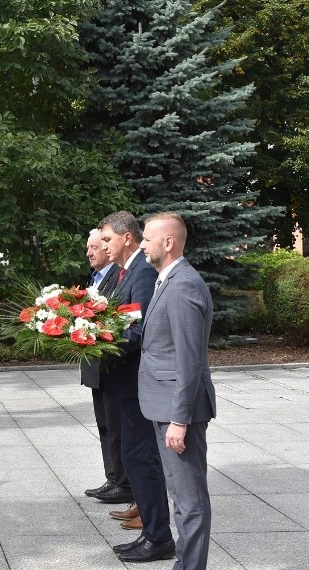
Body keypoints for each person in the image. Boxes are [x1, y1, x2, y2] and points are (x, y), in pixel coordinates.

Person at [139, 212, 216, 570]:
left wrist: (179, 420)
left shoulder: (183, 284)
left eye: (146, 238)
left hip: (176, 410)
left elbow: (189, 361)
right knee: (180, 497)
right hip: (164, 406)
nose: (141, 244)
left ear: (167, 243)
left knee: (190, 501)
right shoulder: (168, 279)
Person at [98, 211, 175, 563]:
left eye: (108, 240)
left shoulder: (141, 272)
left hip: (135, 382)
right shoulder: (126, 270)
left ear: (125, 238)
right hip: (123, 381)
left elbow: (138, 329)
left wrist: (97, 339)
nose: (102, 246)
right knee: (135, 455)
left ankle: (157, 535)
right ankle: (152, 529)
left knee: (141, 458)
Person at [80, 230, 128, 507]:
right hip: (97, 365)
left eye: (94, 246)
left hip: (112, 364)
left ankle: (121, 481)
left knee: (116, 425)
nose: (89, 252)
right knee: (104, 424)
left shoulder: (118, 276)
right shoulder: (96, 278)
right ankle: (112, 478)